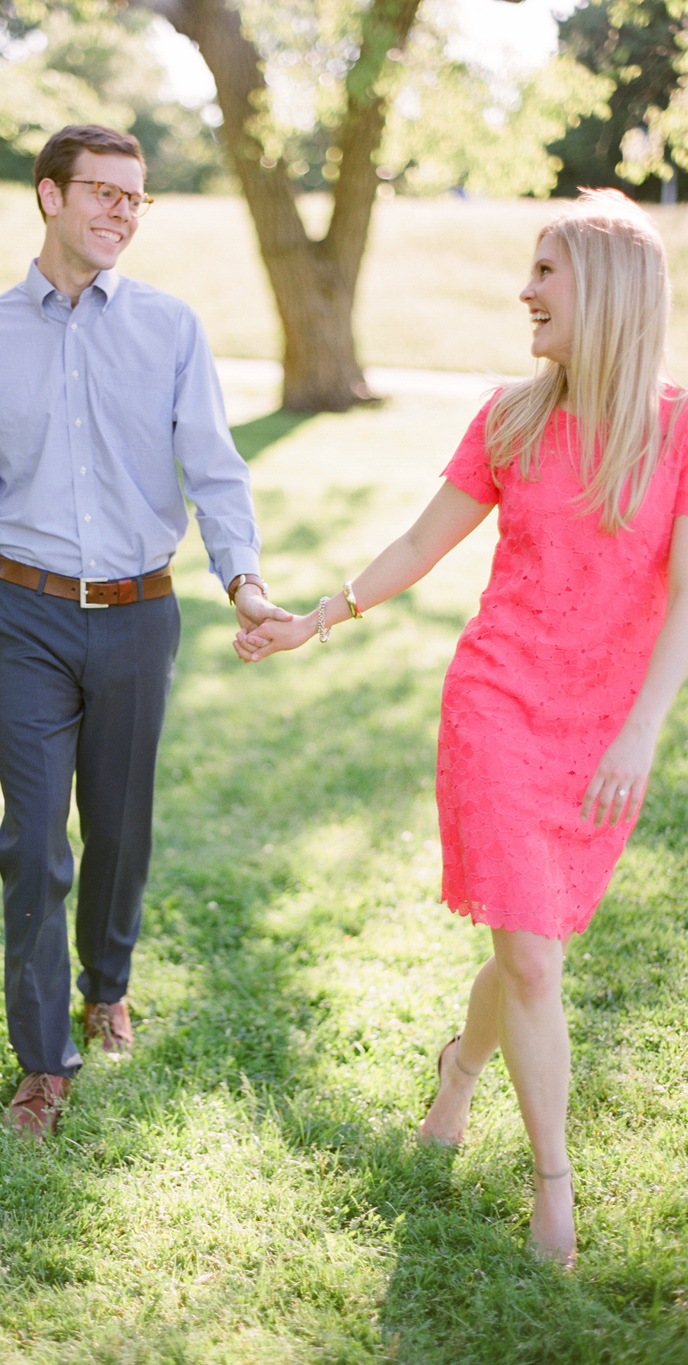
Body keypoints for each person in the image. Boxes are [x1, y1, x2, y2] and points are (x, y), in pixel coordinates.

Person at [235, 189, 688, 1266]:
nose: (523, 291)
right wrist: (316, 619)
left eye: (545, 271)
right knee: (531, 955)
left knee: (527, 943)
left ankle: (460, 1067)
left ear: (610, 292)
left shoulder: (675, 431)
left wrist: (640, 734)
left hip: (601, 732)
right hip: (496, 707)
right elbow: (415, 545)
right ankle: (553, 1188)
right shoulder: (508, 417)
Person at [0, 124, 290, 1140]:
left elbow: (215, 468)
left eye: (136, 198)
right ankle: (42, 1062)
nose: (122, 211)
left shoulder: (169, 329)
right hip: (25, 614)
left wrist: (242, 580)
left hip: (138, 614)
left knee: (119, 830)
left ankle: (107, 981)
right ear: (49, 195)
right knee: (33, 843)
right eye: (103, 192)